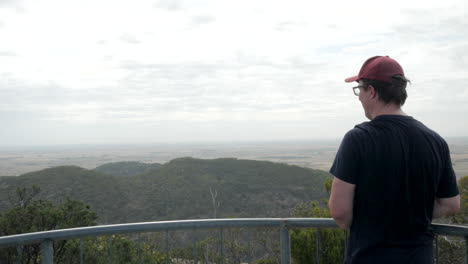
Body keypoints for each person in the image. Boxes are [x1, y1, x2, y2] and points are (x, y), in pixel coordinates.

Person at [328, 55, 460, 263]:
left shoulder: (358, 139)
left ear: (371, 91)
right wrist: (414, 212)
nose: (359, 97)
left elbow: (339, 212)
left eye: (359, 89)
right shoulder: (436, 141)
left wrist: (371, 218)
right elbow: (451, 204)